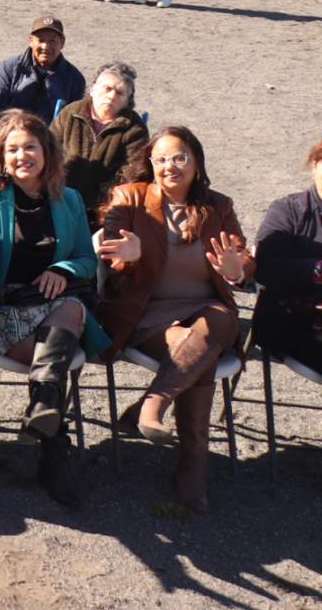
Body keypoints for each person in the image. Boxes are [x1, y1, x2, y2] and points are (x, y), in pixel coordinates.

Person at [0, 110, 106, 506]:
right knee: (53, 361)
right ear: (1, 156)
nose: (22, 156)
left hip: (52, 306)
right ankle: (54, 447)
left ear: (47, 151)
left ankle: (45, 414)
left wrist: (62, 268)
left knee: (70, 309)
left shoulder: (68, 199)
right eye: (13, 149)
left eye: (30, 147)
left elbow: (86, 259)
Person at [95, 126, 251, 513]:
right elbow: (111, 253)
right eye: (161, 159)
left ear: (196, 163)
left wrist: (236, 271)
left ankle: (153, 403)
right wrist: (127, 259)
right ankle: (192, 466)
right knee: (201, 352)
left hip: (206, 309)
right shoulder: (129, 197)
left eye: (179, 157)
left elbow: (242, 258)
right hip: (147, 314)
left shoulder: (219, 205)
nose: (170, 166)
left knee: (217, 323)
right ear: (150, 164)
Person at [251, 137, 322, 372]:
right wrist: (317, 270)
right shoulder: (288, 210)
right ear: (315, 165)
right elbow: (264, 267)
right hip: (292, 320)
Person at [51, 61, 149, 231]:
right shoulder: (70, 113)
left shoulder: (135, 129)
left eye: (120, 92)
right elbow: (49, 150)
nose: (111, 96)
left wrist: (103, 202)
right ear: (93, 89)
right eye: (107, 88)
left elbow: (132, 175)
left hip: (103, 212)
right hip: (59, 200)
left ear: (128, 101)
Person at [0, 16, 85, 121]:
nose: (45, 46)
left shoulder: (74, 78)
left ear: (62, 42)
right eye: (41, 40)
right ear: (31, 41)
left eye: (52, 41)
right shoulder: (9, 68)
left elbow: (74, 120)